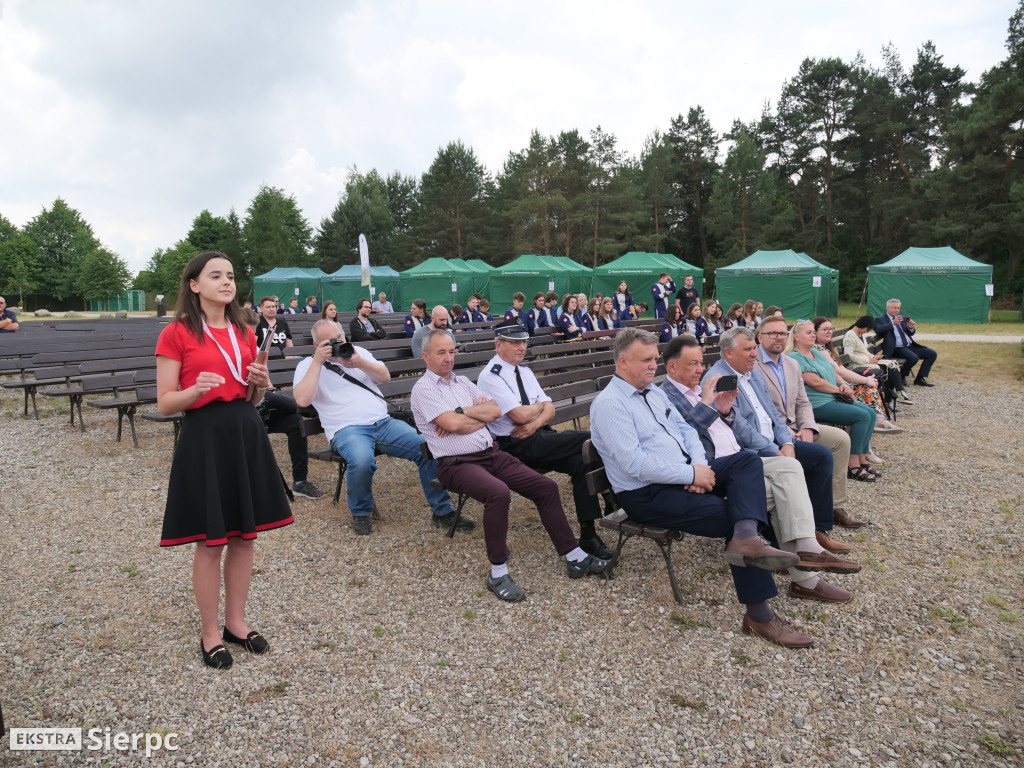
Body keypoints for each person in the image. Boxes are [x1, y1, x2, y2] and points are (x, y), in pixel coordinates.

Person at [589, 328, 812, 648]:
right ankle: (759, 616)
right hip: (646, 494)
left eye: (655, 359)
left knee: (746, 460)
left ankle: (749, 538)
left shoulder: (654, 391)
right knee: (730, 516)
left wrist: (698, 468)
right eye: (646, 360)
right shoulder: (610, 404)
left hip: (682, 473)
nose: (654, 366)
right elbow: (633, 466)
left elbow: (687, 431)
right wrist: (688, 475)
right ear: (622, 362)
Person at [155, 251, 291, 670]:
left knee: (245, 536)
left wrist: (261, 385)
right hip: (205, 435)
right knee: (211, 540)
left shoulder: (243, 330)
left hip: (244, 428)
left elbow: (251, 395)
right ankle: (209, 632)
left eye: (230, 275)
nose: (226, 282)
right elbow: (164, 403)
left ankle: (236, 622)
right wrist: (195, 390)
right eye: (216, 276)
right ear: (194, 285)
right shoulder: (175, 333)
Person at [411, 329, 614, 602]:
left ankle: (575, 556)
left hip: (490, 453)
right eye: (441, 353)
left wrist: (462, 413)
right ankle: (497, 571)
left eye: (451, 351)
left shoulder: (462, 382)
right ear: (425, 356)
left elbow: (494, 411)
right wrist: (468, 417)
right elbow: (453, 426)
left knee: (546, 487)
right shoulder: (423, 389)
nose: (448, 358)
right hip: (455, 463)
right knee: (498, 493)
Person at [661, 335, 859, 602]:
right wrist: (707, 405)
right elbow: (681, 441)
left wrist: (726, 411)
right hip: (716, 469)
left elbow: (739, 426)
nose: (700, 369)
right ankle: (805, 578)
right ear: (672, 367)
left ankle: (808, 551)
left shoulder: (700, 387)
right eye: (693, 364)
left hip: (742, 458)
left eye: (700, 362)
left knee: (790, 467)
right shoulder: (666, 396)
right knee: (782, 487)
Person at [293, 320, 464, 536]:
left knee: (426, 447)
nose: (338, 344)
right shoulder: (307, 365)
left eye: (340, 338)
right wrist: (318, 363)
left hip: (382, 422)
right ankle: (361, 512)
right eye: (330, 342)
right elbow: (302, 400)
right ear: (317, 345)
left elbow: (384, 377)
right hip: (346, 429)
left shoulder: (358, 352)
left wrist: (359, 363)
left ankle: (442, 512)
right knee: (362, 460)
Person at [704, 327, 851, 555]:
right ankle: (786, 543)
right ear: (728, 353)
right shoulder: (720, 380)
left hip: (774, 442)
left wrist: (787, 443)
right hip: (751, 451)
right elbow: (741, 430)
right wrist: (776, 450)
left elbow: (773, 414)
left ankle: (819, 529)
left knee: (820, 456)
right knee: (791, 468)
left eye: (754, 348)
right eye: (748, 349)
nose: (755, 354)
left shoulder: (752, 373)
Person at [475, 322, 615, 559]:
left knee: (583, 461)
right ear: (499, 345)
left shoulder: (525, 372)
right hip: (514, 446)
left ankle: (588, 535)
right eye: (515, 343)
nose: (522, 347)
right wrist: (538, 408)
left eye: (524, 342)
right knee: (593, 439)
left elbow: (550, 412)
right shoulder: (491, 376)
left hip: (538, 435)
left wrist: (535, 420)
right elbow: (519, 416)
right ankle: (615, 496)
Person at [753, 315, 866, 537]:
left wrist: (808, 427)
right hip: (775, 432)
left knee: (840, 440)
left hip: (798, 425)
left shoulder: (791, 364)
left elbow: (803, 402)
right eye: (773, 333)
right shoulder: (753, 364)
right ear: (760, 337)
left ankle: (833, 505)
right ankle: (810, 526)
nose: (779, 338)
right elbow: (760, 409)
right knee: (819, 454)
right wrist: (788, 433)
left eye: (782, 333)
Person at [786, 320, 880, 483]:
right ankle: (852, 465)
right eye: (808, 332)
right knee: (861, 416)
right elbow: (814, 381)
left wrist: (843, 384)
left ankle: (862, 458)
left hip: (832, 397)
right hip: (816, 403)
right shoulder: (795, 357)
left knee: (870, 413)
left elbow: (833, 371)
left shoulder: (816, 352)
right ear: (796, 337)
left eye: (813, 332)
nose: (813, 335)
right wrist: (838, 390)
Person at [813, 317, 902, 433]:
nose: (829, 332)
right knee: (868, 386)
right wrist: (865, 379)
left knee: (872, 382)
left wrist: (865, 378)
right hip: (833, 388)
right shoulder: (819, 349)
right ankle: (877, 419)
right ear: (815, 331)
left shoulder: (825, 348)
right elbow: (841, 371)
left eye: (831, 329)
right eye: (825, 329)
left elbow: (841, 369)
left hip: (840, 382)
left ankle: (879, 418)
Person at [843, 315, 913, 404]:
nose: (867, 332)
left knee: (892, 365)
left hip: (865, 361)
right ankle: (891, 399)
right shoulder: (850, 335)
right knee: (887, 370)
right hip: (856, 365)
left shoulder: (860, 334)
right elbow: (849, 356)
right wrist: (869, 360)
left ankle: (897, 393)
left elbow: (864, 351)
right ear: (863, 325)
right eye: (868, 329)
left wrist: (873, 357)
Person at [875, 298, 937, 387]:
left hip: (910, 345)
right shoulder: (880, 319)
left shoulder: (902, 318)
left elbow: (910, 333)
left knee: (932, 354)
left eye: (898, 308)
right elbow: (878, 330)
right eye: (894, 308)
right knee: (914, 358)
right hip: (896, 348)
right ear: (888, 308)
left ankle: (920, 378)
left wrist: (911, 327)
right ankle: (901, 376)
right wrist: (892, 323)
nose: (897, 310)